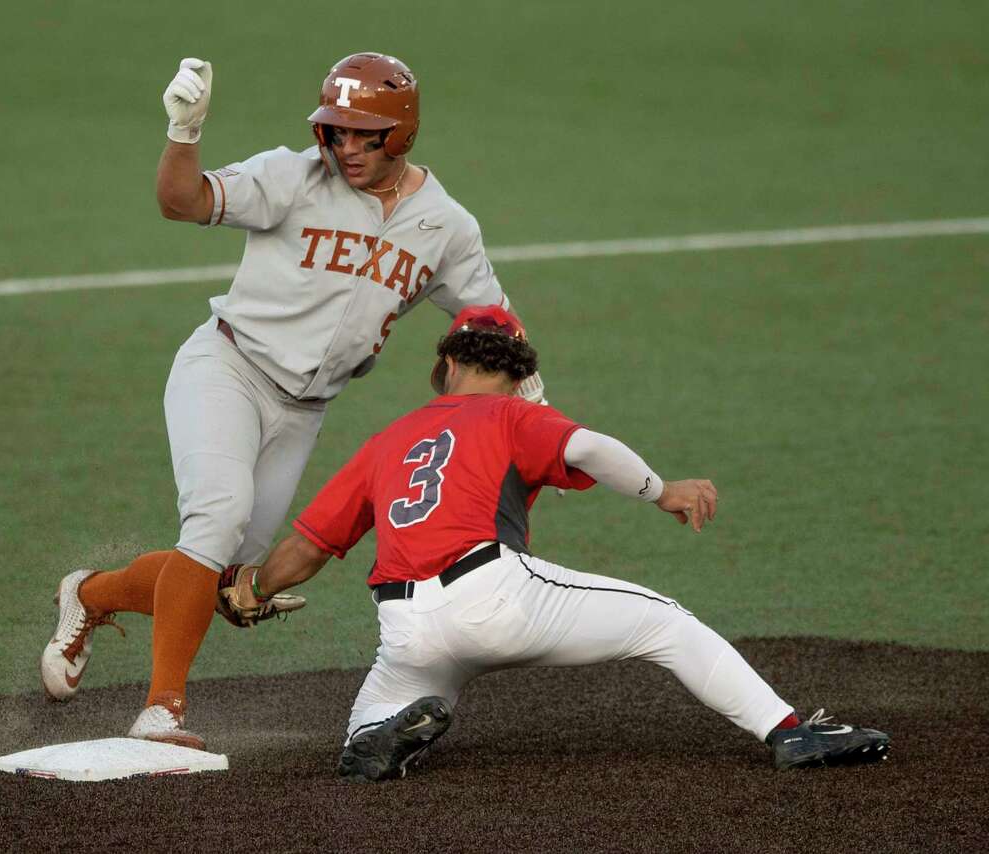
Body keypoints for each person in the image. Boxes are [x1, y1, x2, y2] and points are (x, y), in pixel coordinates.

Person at [39, 53, 546, 748]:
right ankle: (163, 711)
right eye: (335, 132)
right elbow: (179, 202)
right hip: (227, 368)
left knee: (223, 579)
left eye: (363, 135)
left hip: (305, 409)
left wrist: (532, 399)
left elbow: (492, 318)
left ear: (400, 136)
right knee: (214, 521)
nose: (345, 147)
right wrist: (183, 134)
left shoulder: (445, 226)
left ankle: (88, 595)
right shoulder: (290, 176)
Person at [217, 304, 892, 778]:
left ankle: (374, 740)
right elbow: (590, 447)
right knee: (664, 621)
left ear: (446, 363)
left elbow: (307, 547)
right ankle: (790, 731)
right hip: (494, 597)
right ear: (518, 368)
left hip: (405, 625)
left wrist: (252, 587)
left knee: (372, 723)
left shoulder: (387, 440)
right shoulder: (512, 412)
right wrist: (665, 491)